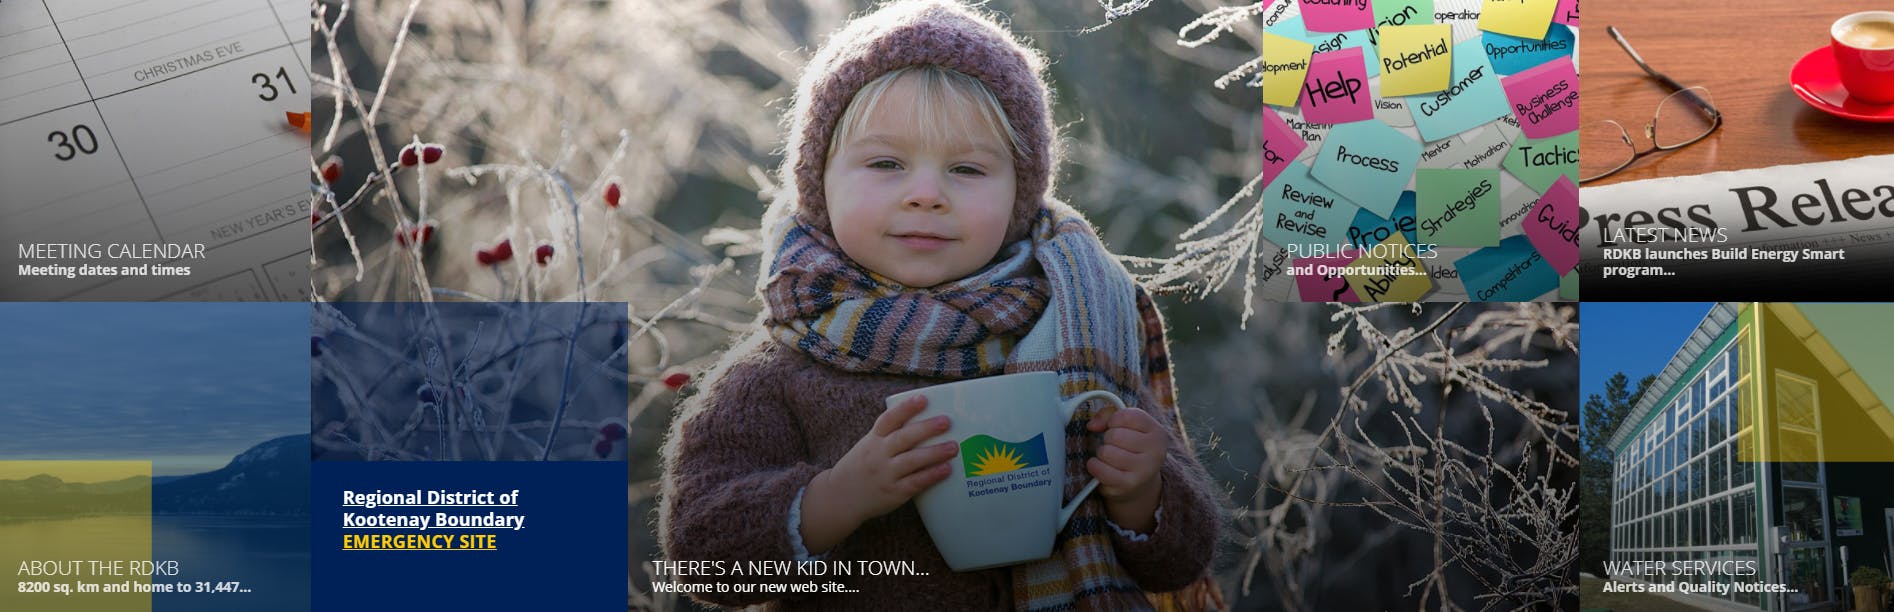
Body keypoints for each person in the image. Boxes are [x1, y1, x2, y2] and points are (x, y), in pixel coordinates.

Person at [658, 2, 1223, 609]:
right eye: (885, 163)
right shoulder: (781, 372)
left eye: (967, 168)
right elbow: (703, 560)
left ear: (1020, 195)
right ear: (820, 182)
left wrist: (1140, 494)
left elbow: (1181, 561)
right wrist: (837, 498)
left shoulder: (1077, 333)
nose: (926, 194)